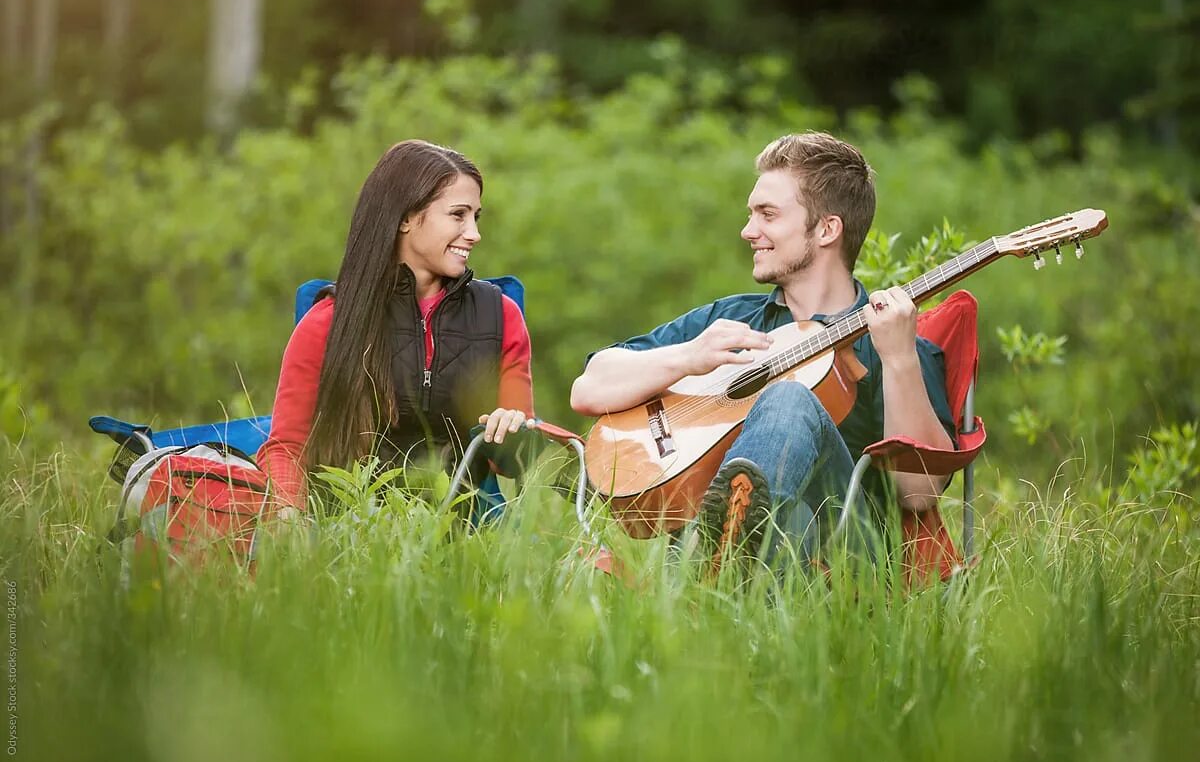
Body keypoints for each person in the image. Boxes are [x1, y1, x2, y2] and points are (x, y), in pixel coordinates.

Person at [570, 132, 956, 573]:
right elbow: (589, 387)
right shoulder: (732, 322)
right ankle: (720, 567)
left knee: (789, 397)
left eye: (767, 215)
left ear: (828, 229)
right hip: (751, 558)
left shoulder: (894, 341)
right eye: (751, 214)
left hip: (843, 555)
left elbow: (920, 491)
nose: (748, 231)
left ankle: (704, 571)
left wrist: (900, 359)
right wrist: (687, 358)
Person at [257, 140, 535, 515]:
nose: (473, 233)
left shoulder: (501, 316)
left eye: (476, 217)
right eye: (458, 215)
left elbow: (516, 464)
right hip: (348, 526)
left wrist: (514, 431)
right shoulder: (328, 322)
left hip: (462, 533)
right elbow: (287, 446)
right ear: (405, 217)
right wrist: (289, 516)